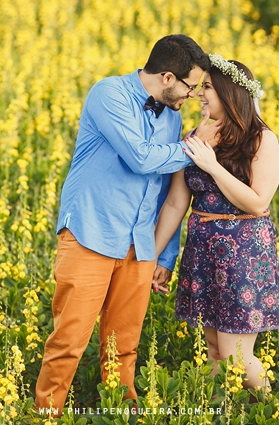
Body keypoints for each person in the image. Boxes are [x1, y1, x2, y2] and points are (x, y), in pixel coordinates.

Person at [34, 34, 213, 416]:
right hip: (91, 233)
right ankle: (46, 416)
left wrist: (165, 254)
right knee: (69, 341)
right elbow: (142, 159)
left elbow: (169, 191)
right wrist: (195, 147)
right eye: (190, 86)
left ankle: (120, 414)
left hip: (141, 244)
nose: (193, 96)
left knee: (124, 343)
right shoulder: (108, 94)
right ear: (167, 77)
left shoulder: (173, 116)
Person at [152, 54, 279, 391]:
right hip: (203, 254)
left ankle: (274, 413)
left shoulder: (260, 139)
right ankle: (223, 413)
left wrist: (212, 165)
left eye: (208, 87)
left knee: (236, 357)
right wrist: (151, 258)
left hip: (244, 258)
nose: (199, 94)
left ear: (230, 94)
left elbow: (258, 202)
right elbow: (175, 203)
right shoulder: (194, 136)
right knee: (214, 352)